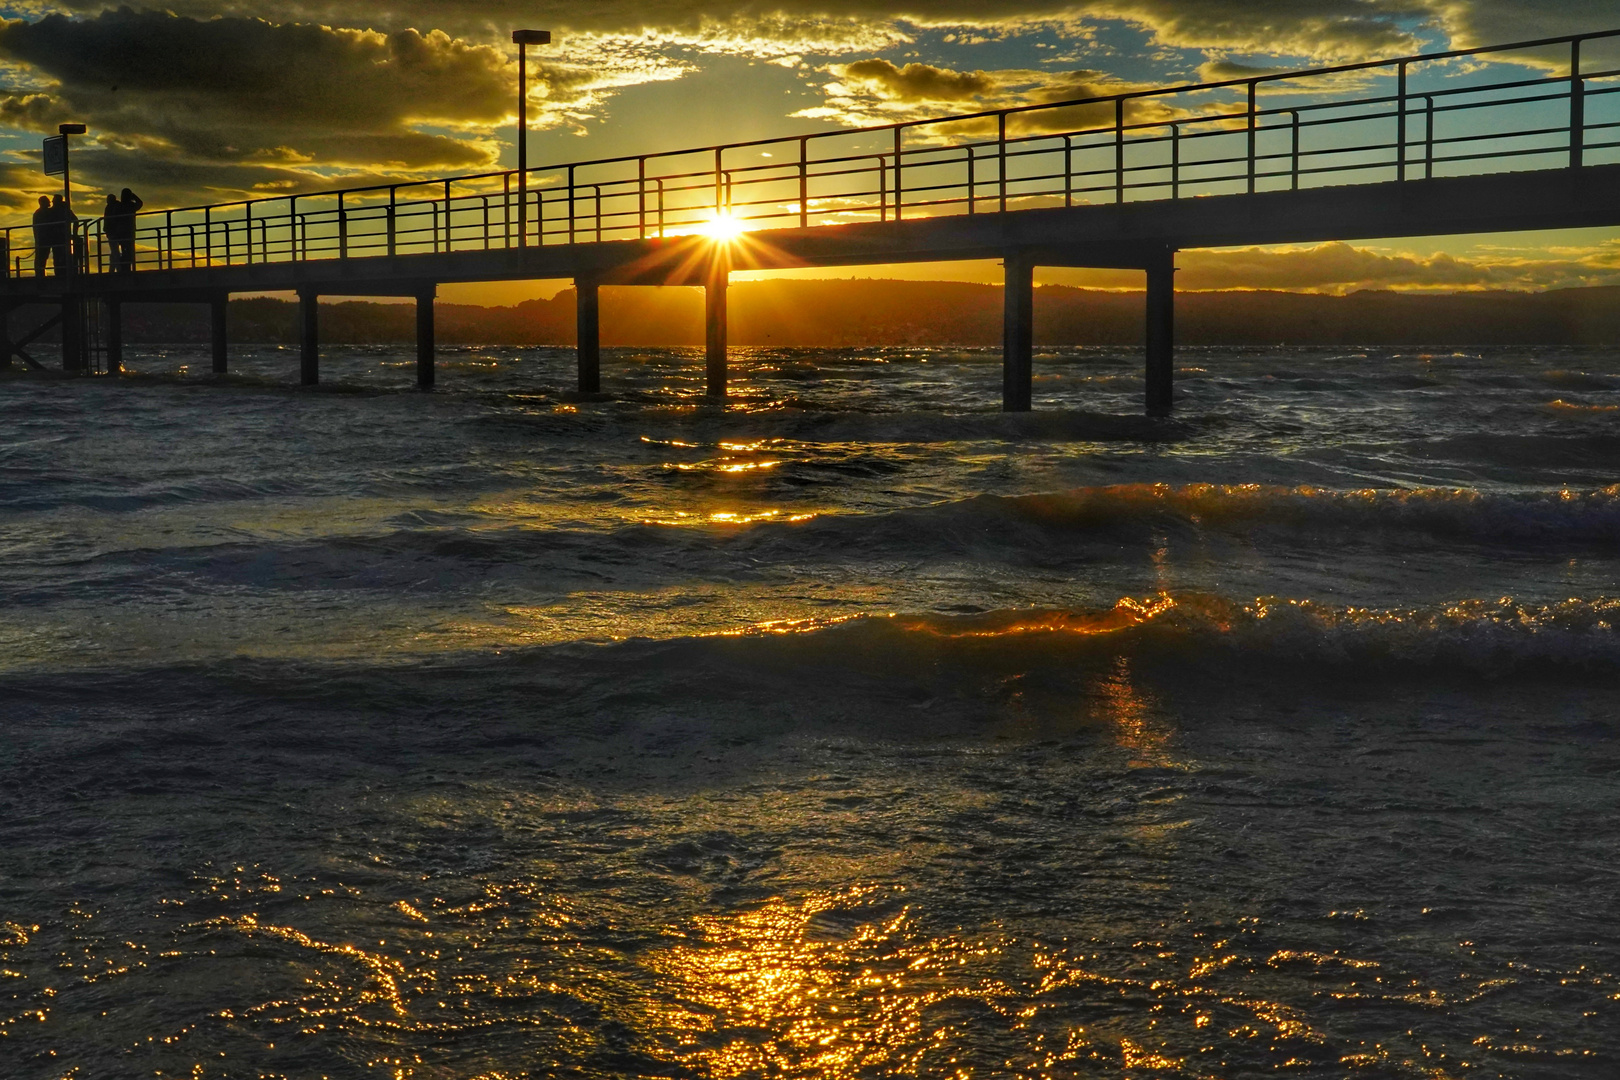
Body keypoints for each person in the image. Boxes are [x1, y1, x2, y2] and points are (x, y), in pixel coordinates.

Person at [107, 187, 142, 273]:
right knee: (129, 251)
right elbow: (140, 203)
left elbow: (113, 218)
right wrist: (133, 196)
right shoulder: (131, 206)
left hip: (120, 232)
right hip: (129, 231)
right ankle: (127, 268)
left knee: (124, 250)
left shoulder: (118, 205)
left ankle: (123, 268)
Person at [49, 195, 76, 277]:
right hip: (60, 236)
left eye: (54, 200)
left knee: (60, 256)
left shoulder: (59, 210)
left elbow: (75, 220)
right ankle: (63, 272)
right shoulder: (65, 210)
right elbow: (76, 220)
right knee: (61, 255)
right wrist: (74, 233)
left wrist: (74, 233)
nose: (52, 202)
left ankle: (61, 273)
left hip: (60, 237)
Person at [31, 196, 50, 277]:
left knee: (42, 257)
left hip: (44, 238)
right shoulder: (40, 213)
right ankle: (40, 275)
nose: (49, 203)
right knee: (41, 258)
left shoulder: (39, 213)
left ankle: (40, 274)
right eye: (47, 201)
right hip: (42, 238)